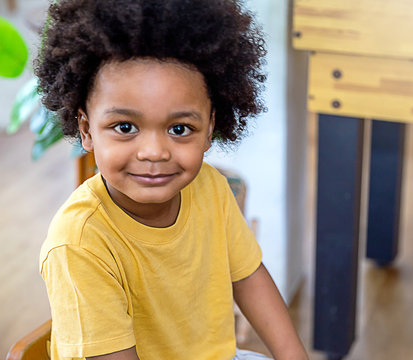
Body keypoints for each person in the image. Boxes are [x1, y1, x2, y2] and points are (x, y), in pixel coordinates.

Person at [36, 0, 308, 359]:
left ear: (209, 129)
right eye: (125, 127)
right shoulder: (79, 244)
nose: (154, 152)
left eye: (179, 129)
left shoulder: (209, 187)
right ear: (86, 130)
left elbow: (248, 277)